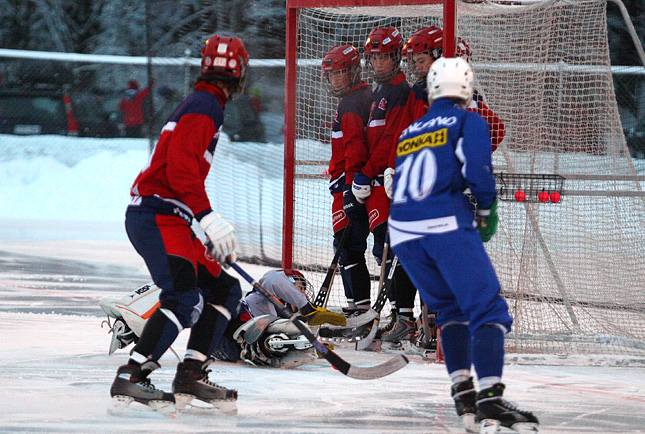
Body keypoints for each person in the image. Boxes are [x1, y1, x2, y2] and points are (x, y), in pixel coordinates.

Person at [388, 57, 539, 433]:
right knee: (488, 309)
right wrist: (487, 211)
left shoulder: (411, 130)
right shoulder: (469, 120)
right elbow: (479, 173)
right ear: (467, 89)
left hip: (403, 233)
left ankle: (463, 394)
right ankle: (490, 397)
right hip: (443, 225)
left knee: (450, 310)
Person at [109, 34, 250, 415]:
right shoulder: (207, 106)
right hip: (158, 214)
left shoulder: (203, 101)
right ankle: (133, 374)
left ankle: (191, 373)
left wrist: (196, 224)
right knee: (184, 296)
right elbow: (181, 168)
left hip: (169, 216)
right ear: (239, 75)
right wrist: (207, 219)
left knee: (222, 289)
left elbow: (179, 170)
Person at [100, 269, 346, 368]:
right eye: (299, 288)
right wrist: (306, 308)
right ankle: (133, 318)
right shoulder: (262, 298)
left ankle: (268, 345)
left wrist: (317, 344)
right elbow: (273, 279)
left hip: (228, 349)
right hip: (231, 323)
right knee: (193, 287)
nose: (301, 292)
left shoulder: (289, 320)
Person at [357, 26, 418, 344]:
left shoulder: (399, 91)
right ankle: (399, 313)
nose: (379, 62)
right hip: (376, 183)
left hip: (387, 181)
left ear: (396, 57)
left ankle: (405, 316)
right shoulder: (380, 92)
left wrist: (368, 171)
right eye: (374, 57)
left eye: (385, 57)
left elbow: (392, 139)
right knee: (385, 251)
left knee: (396, 249)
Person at [321, 44, 373, 316]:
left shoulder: (353, 102)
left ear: (353, 72)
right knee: (345, 245)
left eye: (339, 74)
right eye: (331, 75)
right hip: (348, 183)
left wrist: (351, 188)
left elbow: (355, 146)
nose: (334, 80)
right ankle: (356, 305)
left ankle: (361, 309)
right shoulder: (358, 97)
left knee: (349, 245)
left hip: (349, 186)